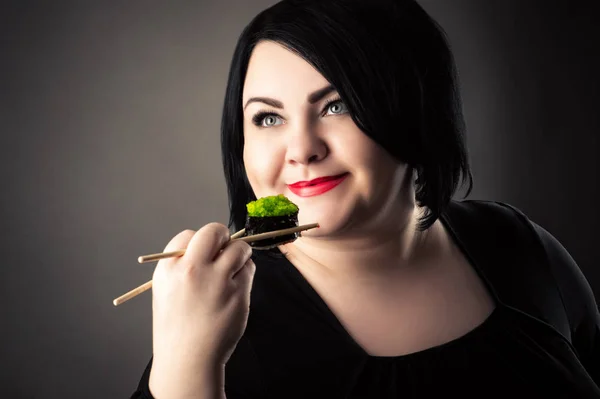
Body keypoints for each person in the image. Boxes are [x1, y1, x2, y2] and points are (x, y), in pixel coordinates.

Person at [131, 0, 600, 397]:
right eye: (268, 119)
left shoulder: (518, 244)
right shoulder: (220, 322)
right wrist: (186, 366)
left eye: (337, 107)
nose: (301, 150)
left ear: (414, 110)